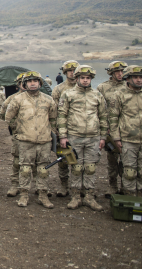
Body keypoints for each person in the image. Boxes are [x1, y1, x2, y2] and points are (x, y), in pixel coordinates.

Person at [57, 65, 107, 211]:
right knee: (77, 167)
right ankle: (75, 196)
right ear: (77, 78)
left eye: (88, 78)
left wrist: (103, 136)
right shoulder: (68, 94)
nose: (85, 81)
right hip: (74, 135)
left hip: (93, 137)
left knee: (90, 168)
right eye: (83, 78)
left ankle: (90, 197)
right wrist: (63, 136)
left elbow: (103, 117)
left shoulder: (97, 95)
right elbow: (62, 116)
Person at [5, 72, 57, 209]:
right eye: (29, 81)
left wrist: (49, 133)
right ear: (24, 84)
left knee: (43, 169)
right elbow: (9, 117)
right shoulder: (17, 99)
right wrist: (20, 129)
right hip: (25, 140)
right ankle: (24, 194)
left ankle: (43, 195)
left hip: (44, 141)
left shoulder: (48, 100)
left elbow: (53, 119)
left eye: (35, 81)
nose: (32, 83)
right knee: (25, 169)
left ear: (40, 83)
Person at [108, 66, 142, 197]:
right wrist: (116, 138)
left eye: (141, 77)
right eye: (136, 77)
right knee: (129, 172)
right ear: (128, 78)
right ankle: (129, 198)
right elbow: (113, 118)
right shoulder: (119, 95)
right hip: (127, 140)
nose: (139, 80)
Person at [97, 60, 128, 197]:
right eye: (117, 72)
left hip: (128, 129)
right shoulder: (102, 88)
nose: (120, 74)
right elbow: (99, 110)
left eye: (122, 71)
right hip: (110, 130)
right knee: (112, 160)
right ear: (111, 73)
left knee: (128, 161)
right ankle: (112, 186)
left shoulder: (129, 86)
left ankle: (126, 187)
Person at [52, 60, 80, 198]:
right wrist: (56, 130)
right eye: (70, 71)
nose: (73, 73)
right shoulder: (58, 89)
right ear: (65, 72)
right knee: (63, 161)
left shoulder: (85, 88)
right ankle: (64, 186)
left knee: (79, 162)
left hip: (80, 130)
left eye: (75, 70)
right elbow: (54, 111)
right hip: (62, 130)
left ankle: (79, 187)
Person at [0, 73, 28, 197]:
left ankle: (39, 187)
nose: (25, 84)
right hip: (19, 135)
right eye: (22, 82)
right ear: (18, 84)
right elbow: (3, 114)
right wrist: (15, 125)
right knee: (17, 161)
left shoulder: (41, 98)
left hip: (37, 135)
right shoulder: (12, 99)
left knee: (37, 163)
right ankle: (15, 185)